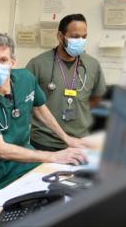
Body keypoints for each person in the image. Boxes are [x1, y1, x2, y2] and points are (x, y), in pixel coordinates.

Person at [0, 33, 88, 202]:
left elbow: (40, 109)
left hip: (27, 162)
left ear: (12, 62)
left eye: (3, 60)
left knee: (59, 198)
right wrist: (53, 156)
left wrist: (67, 138)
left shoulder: (25, 79)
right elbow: (1, 150)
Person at [26, 14, 106, 152]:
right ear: (60, 36)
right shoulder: (38, 64)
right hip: (45, 142)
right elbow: (25, 101)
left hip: (80, 142)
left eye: (84, 37)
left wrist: (81, 118)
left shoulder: (92, 65)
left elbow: (97, 99)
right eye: (75, 37)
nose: (80, 41)